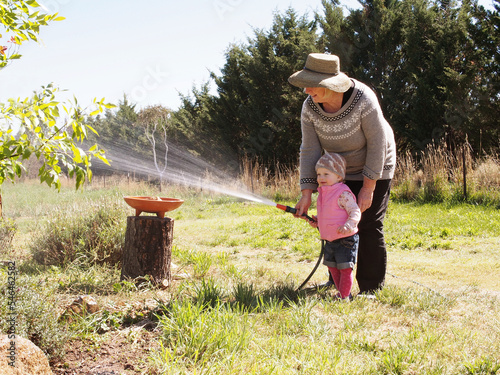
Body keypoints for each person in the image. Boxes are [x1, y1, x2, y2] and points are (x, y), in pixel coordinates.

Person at [288, 53, 396, 296]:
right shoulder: (309, 107)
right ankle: (337, 281)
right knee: (336, 218)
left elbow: (378, 143)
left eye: (311, 84)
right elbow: (310, 149)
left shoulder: (363, 99)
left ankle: (370, 288)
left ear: (329, 84)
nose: (306, 90)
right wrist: (307, 193)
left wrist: (368, 188)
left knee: (367, 223)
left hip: (376, 162)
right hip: (338, 169)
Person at [309, 152, 361, 300]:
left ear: (339, 176)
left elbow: (355, 211)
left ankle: (344, 296)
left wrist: (349, 225)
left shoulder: (343, 193)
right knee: (332, 267)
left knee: (345, 268)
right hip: (331, 240)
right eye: (318, 174)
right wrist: (317, 221)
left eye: (326, 173)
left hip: (345, 239)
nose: (321, 178)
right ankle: (342, 293)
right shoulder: (323, 193)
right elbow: (329, 213)